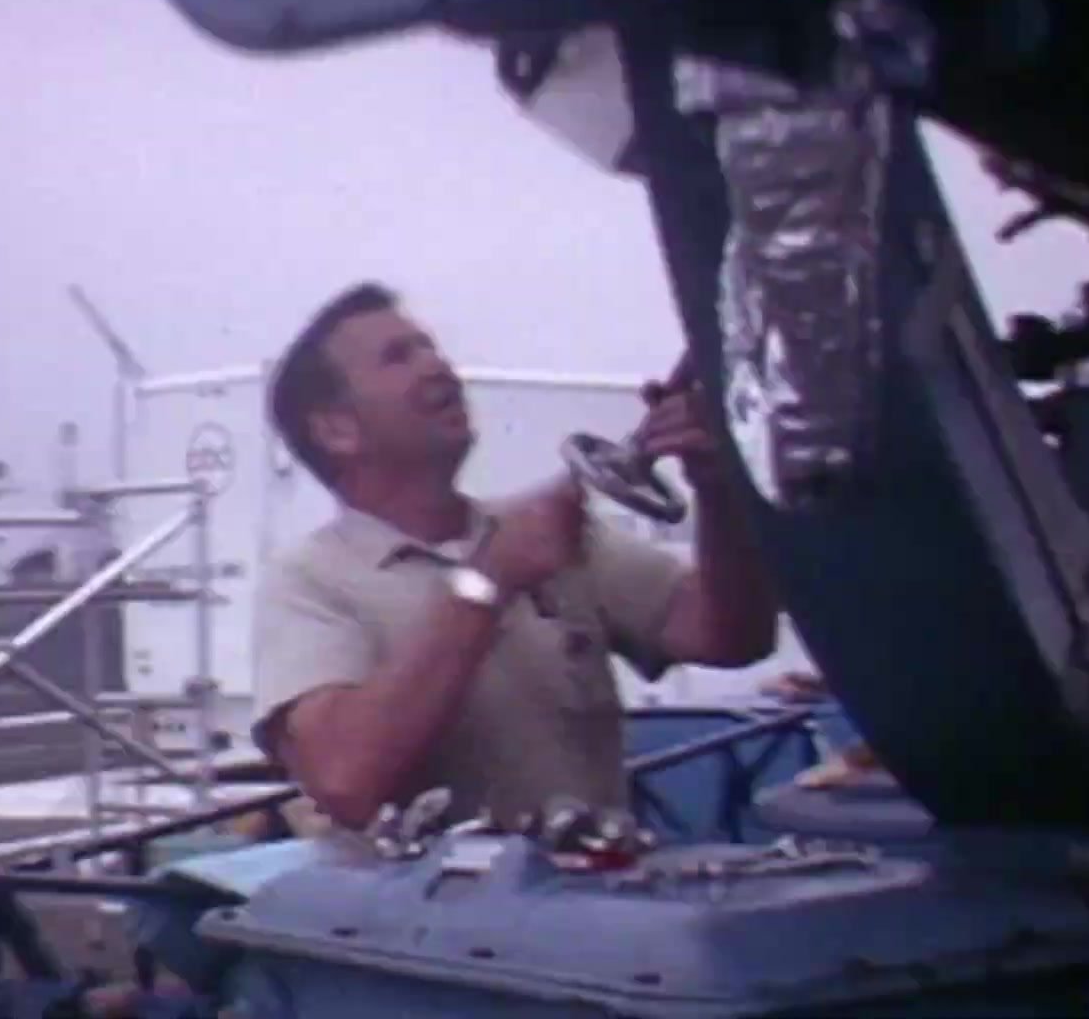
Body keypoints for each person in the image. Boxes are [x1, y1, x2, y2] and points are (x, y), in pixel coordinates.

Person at [249, 282, 782, 832]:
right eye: (397, 357)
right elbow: (344, 781)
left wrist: (717, 487)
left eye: (430, 346)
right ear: (336, 430)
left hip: (594, 905)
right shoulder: (308, 582)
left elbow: (733, 638)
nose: (437, 367)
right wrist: (490, 580)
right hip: (425, 918)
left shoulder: (554, 537)